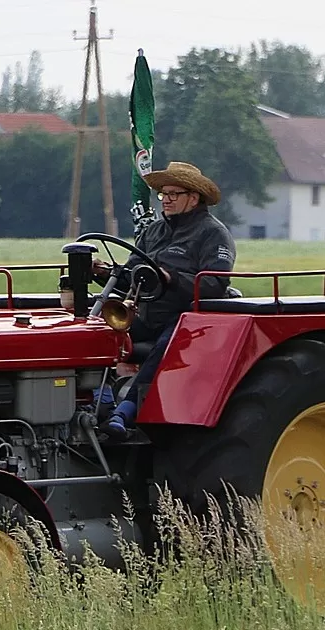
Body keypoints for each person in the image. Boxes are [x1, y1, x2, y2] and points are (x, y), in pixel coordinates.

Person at [92, 161, 236, 438]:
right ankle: (101, 399)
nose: (165, 200)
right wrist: (103, 272)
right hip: (146, 313)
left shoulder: (213, 234)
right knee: (96, 328)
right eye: (163, 194)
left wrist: (172, 278)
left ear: (193, 198)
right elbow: (132, 275)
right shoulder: (154, 231)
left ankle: (125, 412)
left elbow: (215, 284)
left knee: (166, 345)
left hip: (186, 317)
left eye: (173, 194)